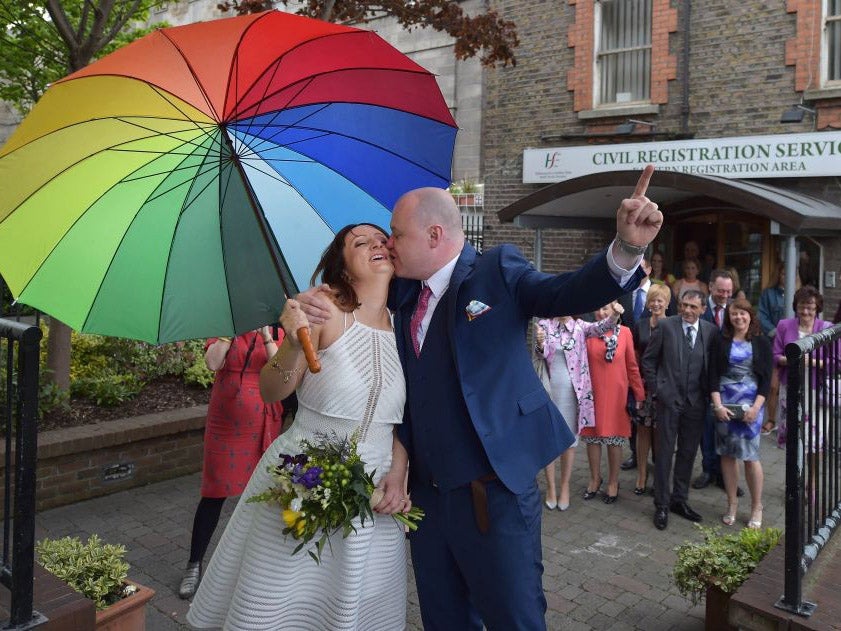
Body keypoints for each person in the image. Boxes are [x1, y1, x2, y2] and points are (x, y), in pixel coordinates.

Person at [297, 165, 662, 629]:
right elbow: (367, 329)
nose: (388, 244)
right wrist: (315, 302)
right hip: (428, 500)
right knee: (444, 619)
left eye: (395, 234)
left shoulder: (498, 270)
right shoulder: (403, 292)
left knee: (515, 618)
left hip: (494, 493)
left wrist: (627, 248)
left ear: (434, 235)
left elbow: (563, 291)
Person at [186, 224, 411, 630]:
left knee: (357, 605)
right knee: (287, 602)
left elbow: (405, 422)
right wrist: (291, 342)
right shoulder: (323, 311)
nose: (377, 245)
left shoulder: (407, 323)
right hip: (304, 474)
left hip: (377, 494)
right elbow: (273, 391)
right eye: (361, 243)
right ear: (341, 266)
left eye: (383, 240)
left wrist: (399, 475)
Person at [178, 326, 284, 600]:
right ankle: (194, 564)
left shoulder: (278, 325)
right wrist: (229, 333)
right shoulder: (227, 324)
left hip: (263, 415)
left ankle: (256, 570)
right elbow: (213, 362)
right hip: (226, 417)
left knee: (263, 495)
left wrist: (266, 336)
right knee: (214, 493)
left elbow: (281, 372)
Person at [535, 302, 623, 511]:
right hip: (548, 391)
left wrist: (615, 316)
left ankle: (564, 486)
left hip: (573, 394)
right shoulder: (544, 325)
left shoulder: (580, 327)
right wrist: (539, 343)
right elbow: (540, 355)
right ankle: (551, 488)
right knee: (548, 438)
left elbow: (601, 328)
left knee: (569, 441)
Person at [642, 289, 718, 531]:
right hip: (668, 401)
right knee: (664, 453)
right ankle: (662, 504)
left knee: (687, 453)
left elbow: (713, 367)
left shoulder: (710, 332)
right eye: (684, 305)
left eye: (693, 307)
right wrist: (659, 390)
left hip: (696, 403)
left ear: (703, 310)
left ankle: (679, 500)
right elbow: (648, 361)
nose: (687, 310)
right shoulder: (666, 327)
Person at [709, 298, 772, 529]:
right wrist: (717, 405)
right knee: (727, 455)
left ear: (750, 316)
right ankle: (732, 503)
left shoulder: (761, 341)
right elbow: (712, 375)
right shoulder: (720, 339)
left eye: (743, 314)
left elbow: (766, 379)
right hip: (725, 404)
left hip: (751, 405)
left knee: (750, 456)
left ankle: (756, 506)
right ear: (729, 317)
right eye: (734, 314)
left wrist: (756, 408)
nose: (738, 318)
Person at [580, 303, 645, 504]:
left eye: (606, 308)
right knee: (592, 438)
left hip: (617, 396)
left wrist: (639, 394)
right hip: (592, 394)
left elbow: (632, 366)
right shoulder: (587, 333)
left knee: (615, 440)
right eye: (598, 308)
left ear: (615, 310)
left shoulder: (625, 332)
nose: (601, 312)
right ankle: (594, 478)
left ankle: (613, 482)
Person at [772, 285, 835, 451]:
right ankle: (793, 476)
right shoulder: (784, 326)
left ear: (817, 308)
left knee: (814, 442)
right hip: (791, 389)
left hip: (817, 391)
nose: (805, 311)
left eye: (810, 307)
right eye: (802, 306)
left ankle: (812, 477)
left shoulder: (827, 328)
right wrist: (792, 360)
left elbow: (836, 362)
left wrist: (813, 362)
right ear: (796, 306)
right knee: (791, 441)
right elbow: (775, 355)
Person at [694, 269, 734, 491]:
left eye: (729, 291)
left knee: (727, 428)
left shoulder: (735, 311)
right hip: (701, 379)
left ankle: (724, 474)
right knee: (706, 428)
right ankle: (708, 469)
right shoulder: (699, 309)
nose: (725, 295)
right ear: (710, 287)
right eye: (721, 291)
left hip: (727, 382)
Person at [631, 282, 672, 495]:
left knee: (660, 433)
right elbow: (636, 356)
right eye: (653, 300)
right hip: (644, 386)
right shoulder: (641, 325)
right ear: (647, 303)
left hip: (664, 387)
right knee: (643, 431)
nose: (656, 304)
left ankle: (659, 476)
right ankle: (641, 475)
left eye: (660, 300)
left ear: (667, 303)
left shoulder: (673, 325)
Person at [757, 264, 795, 434]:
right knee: (773, 386)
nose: (785, 276)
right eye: (782, 272)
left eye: (789, 273)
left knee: (793, 385)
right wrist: (776, 333)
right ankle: (771, 419)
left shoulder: (797, 294)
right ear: (778, 274)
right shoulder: (768, 294)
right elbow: (761, 315)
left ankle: (791, 422)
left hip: (795, 345)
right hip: (774, 343)